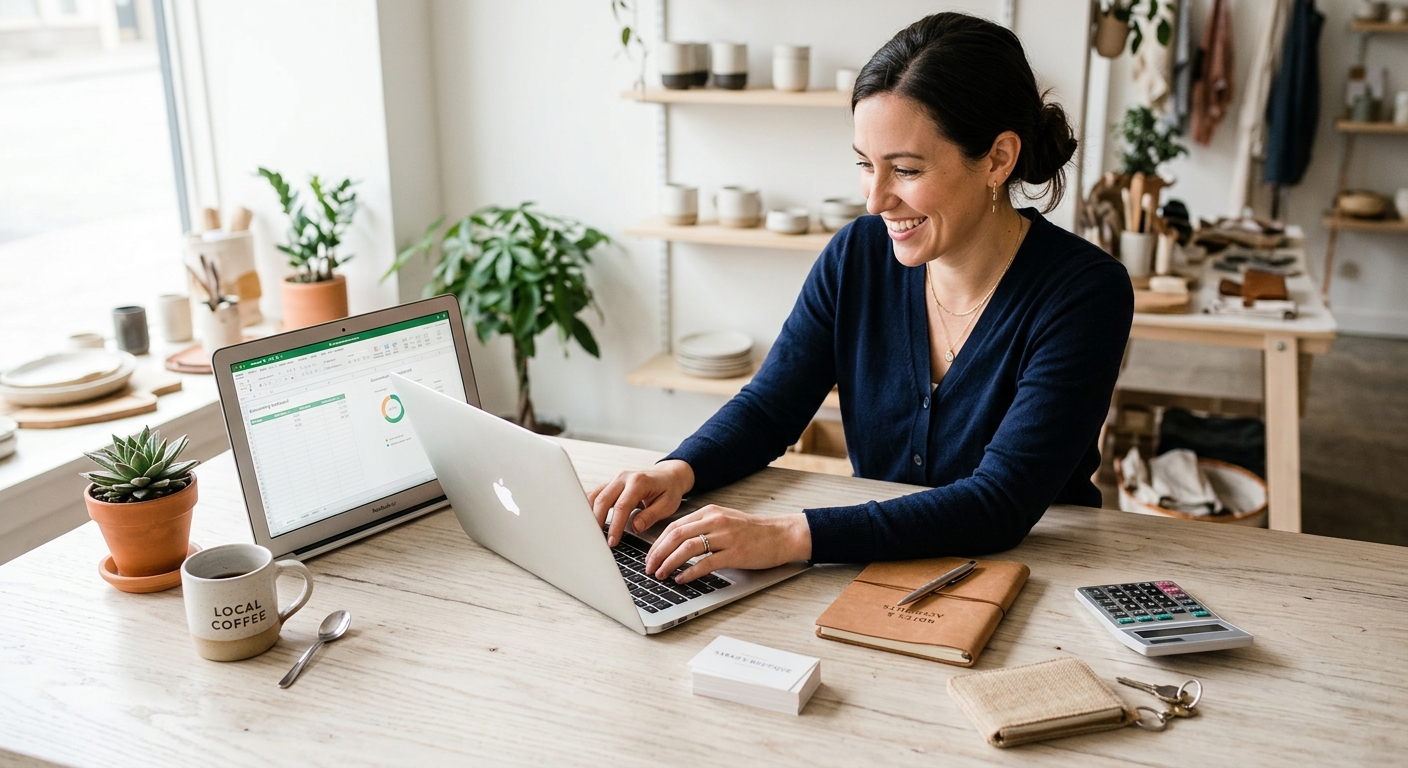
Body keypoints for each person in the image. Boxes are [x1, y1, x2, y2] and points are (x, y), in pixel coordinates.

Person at [590, 12, 1134, 583]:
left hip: (1037, 577)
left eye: (905, 169)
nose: (875, 200)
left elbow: (1000, 503)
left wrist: (790, 535)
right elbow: (771, 407)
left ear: (998, 158)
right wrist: (681, 470)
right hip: (870, 567)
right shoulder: (857, 255)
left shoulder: (1084, 293)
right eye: (864, 165)